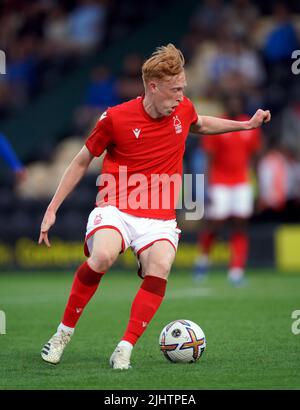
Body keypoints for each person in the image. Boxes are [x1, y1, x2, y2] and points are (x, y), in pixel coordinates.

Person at [38, 44, 271, 369]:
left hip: (159, 216)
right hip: (117, 205)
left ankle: (124, 348)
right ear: (153, 86)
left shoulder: (183, 109)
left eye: (183, 89)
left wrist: (244, 125)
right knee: (103, 256)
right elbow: (80, 161)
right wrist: (52, 208)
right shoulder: (115, 118)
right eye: (175, 89)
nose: (181, 96)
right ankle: (63, 333)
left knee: (159, 267)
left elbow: (200, 123)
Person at [193, 93, 262, 286]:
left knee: (240, 225)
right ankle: (203, 261)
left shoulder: (250, 127)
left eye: (237, 101)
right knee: (214, 224)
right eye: (231, 100)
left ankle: (236, 271)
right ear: (226, 104)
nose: (234, 103)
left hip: (242, 183)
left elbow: (255, 158)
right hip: (220, 182)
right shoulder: (218, 126)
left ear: (242, 104)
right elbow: (208, 159)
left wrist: (258, 187)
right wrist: (206, 188)